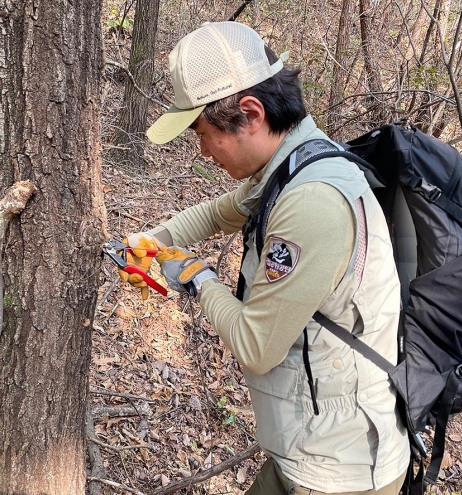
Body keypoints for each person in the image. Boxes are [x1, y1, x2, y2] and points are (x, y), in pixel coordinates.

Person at [121, 21, 410, 495]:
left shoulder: (312, 201)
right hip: (309, 444)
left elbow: (256, 347)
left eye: (202, 131)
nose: (202, 150)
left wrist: (195, 277)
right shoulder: (292, 164)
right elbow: (220, 212)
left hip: (342, 469)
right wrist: (151, 241)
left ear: (250, 113)